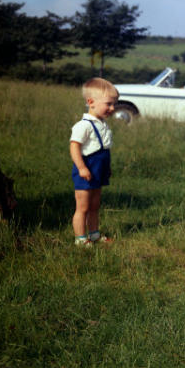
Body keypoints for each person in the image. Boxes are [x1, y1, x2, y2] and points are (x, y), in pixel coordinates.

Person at [70, 78, 119, 247]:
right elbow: (74, 147)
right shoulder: (83, 125)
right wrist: (82, 167)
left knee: (94, 205)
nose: (112, 108)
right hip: (86, 170)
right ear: (91, 102)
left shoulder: (102, 124)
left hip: (99, 170)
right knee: (82, 207)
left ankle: (94, 234)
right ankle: (81, 239)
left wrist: (107, 168)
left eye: (114, 104)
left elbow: (103, 149)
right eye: (109, 104)